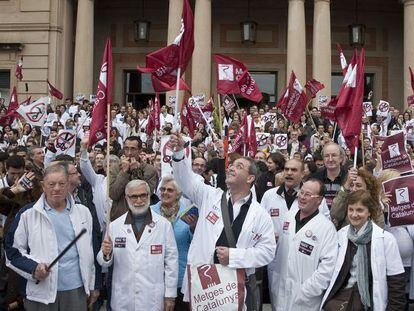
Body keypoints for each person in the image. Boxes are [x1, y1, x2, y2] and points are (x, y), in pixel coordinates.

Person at [169, 132, 276, 307]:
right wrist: (180, 152)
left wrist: (234, 256)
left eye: (239, 166)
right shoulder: (209, 195)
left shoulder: (260, 214)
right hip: (203, 285)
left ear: (250, 178)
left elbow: (268, 252)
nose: (231, 168)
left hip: (233, 287)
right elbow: (184, 180)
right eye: (231, 165)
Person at [4, 162, 96, 310]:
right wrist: (34, 268)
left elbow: (89, 251)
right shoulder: (27, 214)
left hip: (76, 289)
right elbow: (12, 252)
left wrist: (92, 285)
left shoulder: (83, 212)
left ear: (68, 184)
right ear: (43, 186)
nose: (57, 188)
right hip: (41, 292)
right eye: (51, 184)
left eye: (61, 183)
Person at [97, 180, 178, 311]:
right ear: (126, 198)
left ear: (149, 196)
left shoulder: (164, 226)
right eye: (134, 196)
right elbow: (104, 262)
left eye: (143, 195)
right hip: (123, 298)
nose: (139, 200)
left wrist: (170, 296)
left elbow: (171, 263)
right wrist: (106, 253)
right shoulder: (114, 226)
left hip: (152, 299)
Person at [321, 190, 406, 310]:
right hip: (341, 301)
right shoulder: (340, 235)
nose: (354, 214)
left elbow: (396, 282)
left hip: (369, 303)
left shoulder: (386, 239)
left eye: (360, 210)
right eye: (351, 209)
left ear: (369, 212)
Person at [271, 178, 338, 311]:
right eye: (301, 192)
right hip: (281, 291)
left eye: (308, 194)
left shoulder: (326, 228)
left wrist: (306, 291)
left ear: (319, 200)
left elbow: (327, 268)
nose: (302, 197)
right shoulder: (288, 217)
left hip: (306, 299)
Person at [151, 175, 195, 311]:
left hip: (180, 278)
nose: (165, 193)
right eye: (162, 189)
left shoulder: (188, 214)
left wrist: (194, 228)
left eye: (170, 190)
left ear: (179, 194)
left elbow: (195, 246)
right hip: (153, 276)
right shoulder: (150, 212)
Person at [109, 136, 158, 220]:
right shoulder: (115, 168)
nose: (129, 152)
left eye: (133, 149)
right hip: (120, 217)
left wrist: (136, 172)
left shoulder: (150, 170)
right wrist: (124, 172)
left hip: (143, 217)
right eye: (126, 149)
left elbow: (146, 195)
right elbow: (113, 194)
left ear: (140, 150)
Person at [312, 142, 347, 209]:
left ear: (341, 158)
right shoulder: (314, 179)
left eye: (334, 155)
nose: (330, 159)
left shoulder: (348, 178)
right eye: (327, 156)